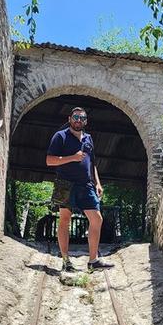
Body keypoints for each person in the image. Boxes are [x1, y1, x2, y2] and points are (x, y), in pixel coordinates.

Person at [46, 107, 113, 272]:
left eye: (82, 118)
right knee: (65, 220)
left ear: (85, 121)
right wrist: (73, 158)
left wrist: (97, 183)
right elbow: (50, 160)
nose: (78, 120)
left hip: (86, 185)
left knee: (97, 219)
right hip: (65, 184)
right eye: (75, 117)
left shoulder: (88, 139)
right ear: (70, 119)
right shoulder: (60, 136)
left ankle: (93, 261)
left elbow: (92, 163)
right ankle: (66, 260)